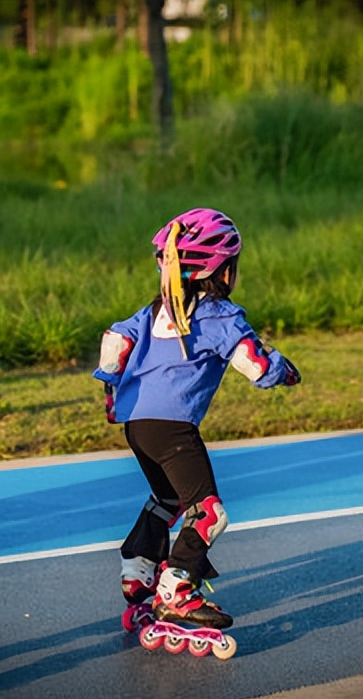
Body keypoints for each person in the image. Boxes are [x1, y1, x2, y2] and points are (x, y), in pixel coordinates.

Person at [93, 208, 301, 634]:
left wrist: (112, 392)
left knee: (168, 498)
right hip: (172, 428)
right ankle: (176, 589)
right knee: (208, 513)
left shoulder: (154, 312)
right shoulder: (219, 316)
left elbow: (115, 342)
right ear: (223, 271)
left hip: (138, 426)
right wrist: (284, 371)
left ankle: (137, 571)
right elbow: (256, 366)